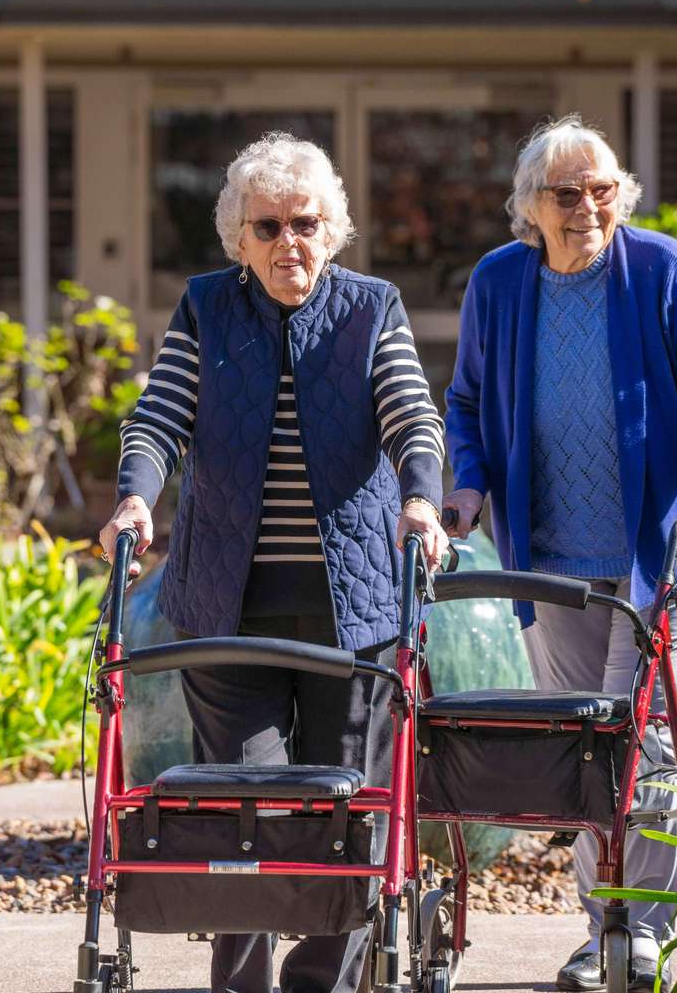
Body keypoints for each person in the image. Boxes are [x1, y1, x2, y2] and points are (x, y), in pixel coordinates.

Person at [98, 133, 449, 993]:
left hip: (355, 612)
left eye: (307, 223)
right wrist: (136, 499)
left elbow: (413, 416)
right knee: (242, 815)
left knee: (345, 810)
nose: (290, 242)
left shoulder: (374, 308)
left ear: (333, 229)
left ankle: (323, 977)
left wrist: (420, 497)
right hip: (228, 605)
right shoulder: (207, 308)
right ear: (239, 240)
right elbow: (158, 418)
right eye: (269, 227)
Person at [441, 115, 677, 992]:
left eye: (603, 190)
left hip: (669, 553)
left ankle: (632, 933)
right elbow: (464, 401)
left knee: (639, 730)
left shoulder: (661, 270)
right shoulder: (500, 283)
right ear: (529, 207)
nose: (587, 208)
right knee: (583, 747)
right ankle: (603, 928)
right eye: (566, 194)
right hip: (552, 559)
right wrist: (467, 488)